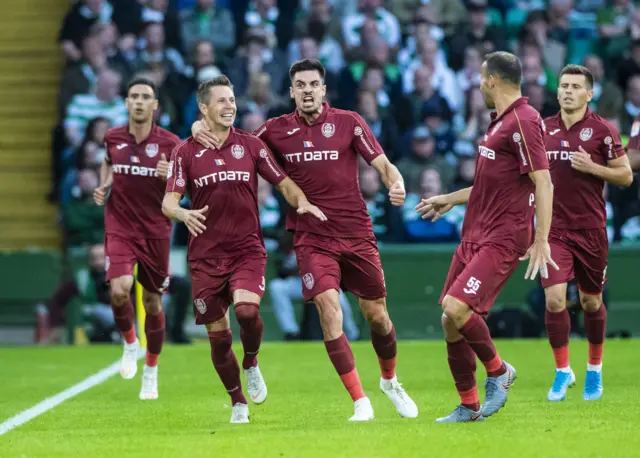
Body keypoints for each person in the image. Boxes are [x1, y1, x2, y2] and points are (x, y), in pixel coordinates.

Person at [192, 58, 418, 422]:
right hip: (312, 236)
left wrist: (397, 182)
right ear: (292, 91)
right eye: (301, 85)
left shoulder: (349, 122)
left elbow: (382, 163)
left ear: (323, 89)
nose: (308, 91)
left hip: (356, 232)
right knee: (329, 309)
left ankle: (390, 381)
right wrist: (198, 125)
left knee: (377, 316)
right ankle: (360, 401)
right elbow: (236, 141)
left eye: (314, 84)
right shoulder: (275, 130)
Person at [161, 75, 326, 424]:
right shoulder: (185, 151)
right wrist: (181, 212)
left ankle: (251, 362)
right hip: (205, 256)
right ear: (204, 108)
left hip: (247, 250)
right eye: (221, 101)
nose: (230, 106)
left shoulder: (250, 145)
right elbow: (168, 202)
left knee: (248, 312)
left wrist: (302, 203)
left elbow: (283, 182)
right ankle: (237, 402)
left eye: (232, 100)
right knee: (218, 336)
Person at [416, 51, 555, 422]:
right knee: (450, 320)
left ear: (492, 79)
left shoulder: (524, 120)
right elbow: (491, 184)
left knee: (456, 309)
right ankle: (469, 405)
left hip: (502, 237)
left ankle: (499, 371)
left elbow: (543, 180)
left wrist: (541, 238)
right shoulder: (499, 123)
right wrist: (449, 198)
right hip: (474, 234)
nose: (478, 85)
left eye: (481, 78)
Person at [541, 64, 632, 402]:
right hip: (552, 231)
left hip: (590, 229)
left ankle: (594, 369)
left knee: (590, 301)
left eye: (575, 86)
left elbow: (625, 176)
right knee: (553, 300)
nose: (567, 91)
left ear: (589, 94)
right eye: (563, 85)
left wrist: (592, 167)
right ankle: (562, 371)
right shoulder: (542, 129)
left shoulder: (602, 131)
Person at [94, 77, 179, 400]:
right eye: (134, 96)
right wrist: (105, 186)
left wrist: (168, 176)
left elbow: (184, 187)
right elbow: (107, 162)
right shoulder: (112, 137)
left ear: (155, 105)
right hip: (120, 226)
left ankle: (152, 369)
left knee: (152, 302)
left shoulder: (171, 144)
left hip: (156, 230)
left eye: (146, 97)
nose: (140, 102)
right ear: (127, 103)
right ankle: (130, 342)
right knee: (120, 290)